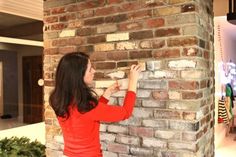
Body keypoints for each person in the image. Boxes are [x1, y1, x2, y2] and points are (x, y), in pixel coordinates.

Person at [49, 52, 141, 157]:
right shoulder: (87, 106)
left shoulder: (59, 100)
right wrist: (133, 80)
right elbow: (126, 112)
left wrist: (107, 93)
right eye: (90, 69)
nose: (94, 71)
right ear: (78, 75)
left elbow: (88, 116)